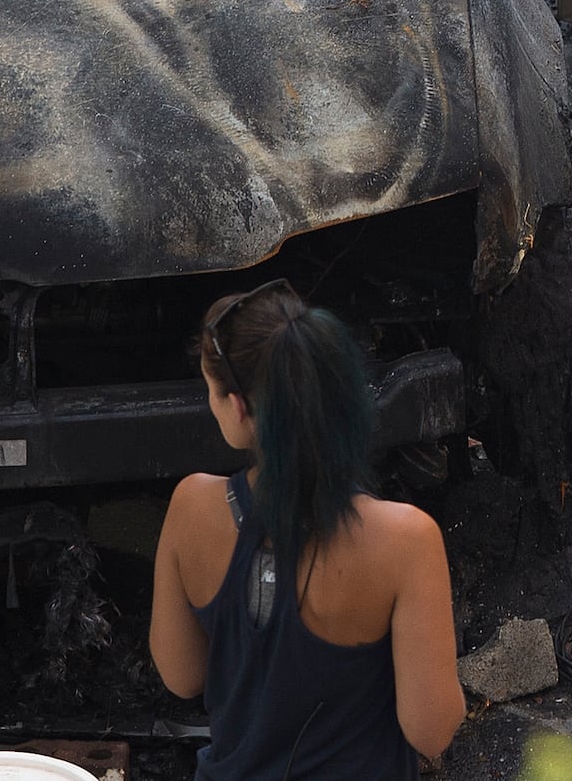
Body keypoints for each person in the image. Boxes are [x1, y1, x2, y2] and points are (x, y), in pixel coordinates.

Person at [151, 283, 465, 777]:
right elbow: (432, 730)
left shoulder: (190, 507)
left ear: (238, 408)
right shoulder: (407, 542)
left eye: (210, 391)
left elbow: (181, 675)